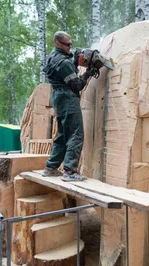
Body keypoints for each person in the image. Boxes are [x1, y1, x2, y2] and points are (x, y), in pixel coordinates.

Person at [42, 31, 96, 182]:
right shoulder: (64, 63)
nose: (69, 47)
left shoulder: (54, 56)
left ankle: (51, 167)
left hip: (58, 98)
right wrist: (88, 73)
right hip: (67, 98)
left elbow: (69, 59)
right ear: (57, 43)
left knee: (63, 135)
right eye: (67, 45)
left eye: (71, 44)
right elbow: (77, 85)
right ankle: (70, 171)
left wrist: (77, 57)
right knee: (76, 134)